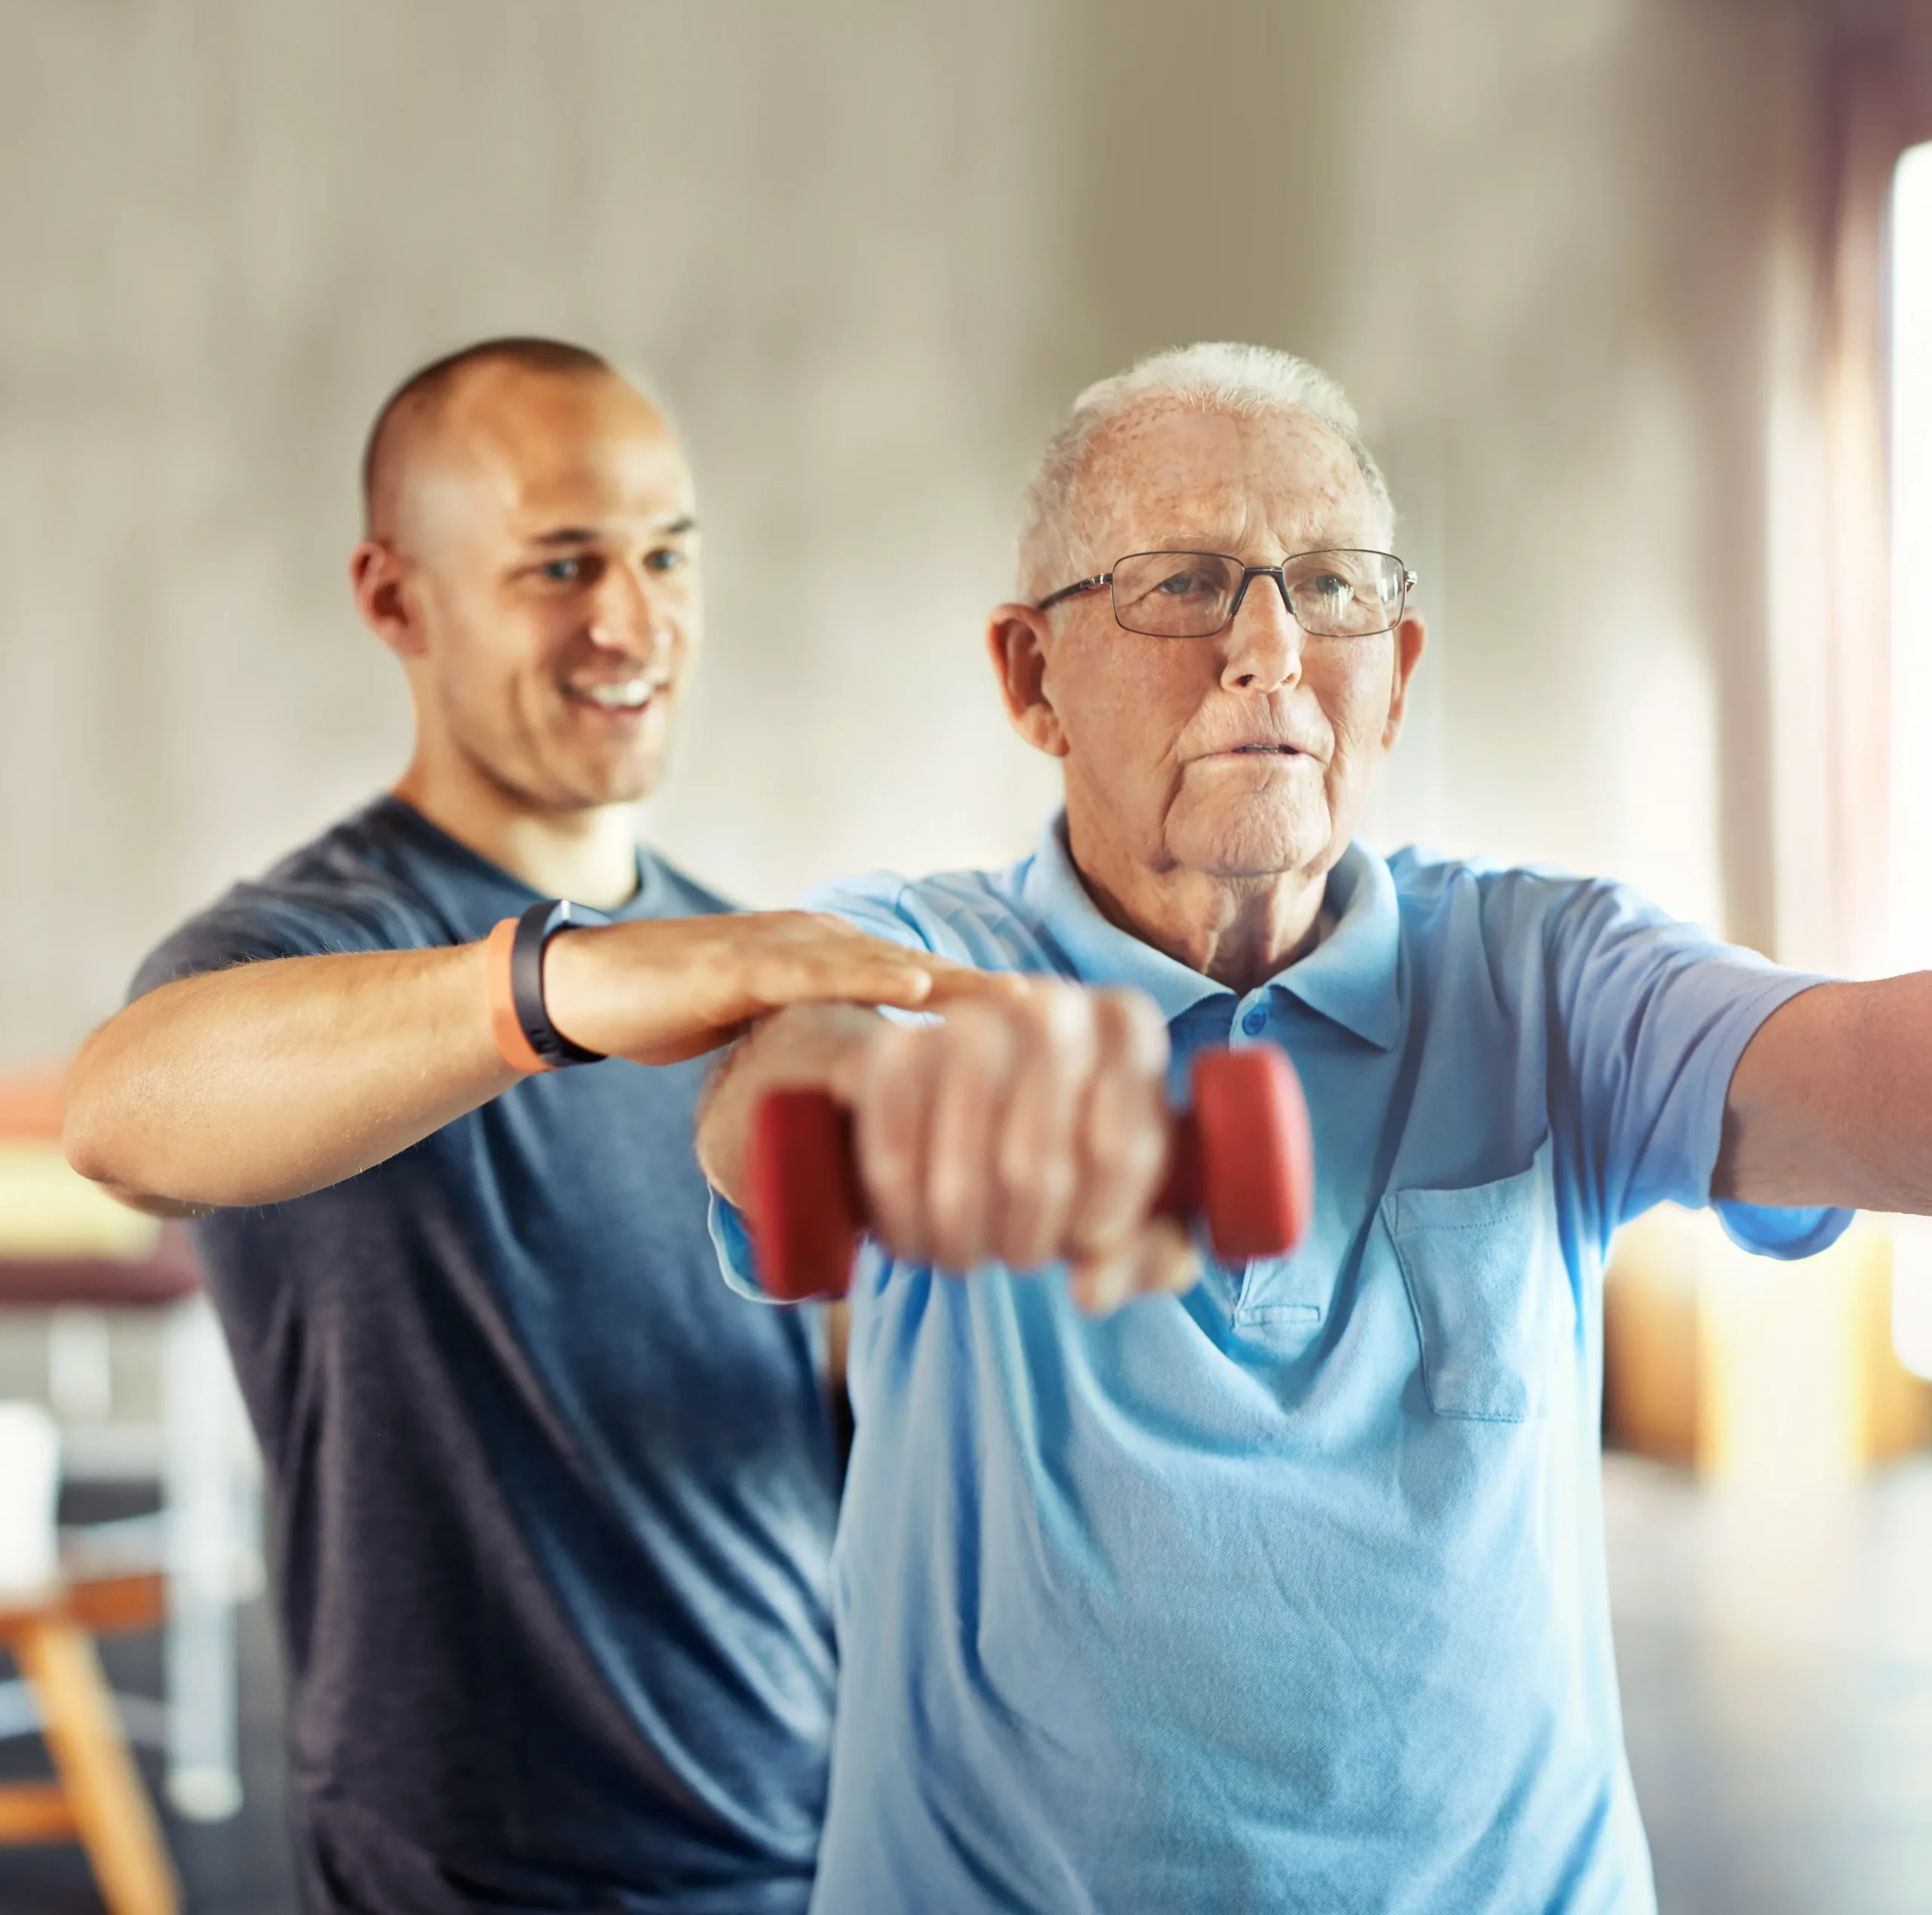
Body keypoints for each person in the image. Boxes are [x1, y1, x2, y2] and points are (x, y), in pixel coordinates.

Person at [694, 341, 1907, 1913]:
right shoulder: (926, 951)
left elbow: (1871, 1073)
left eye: (1326, 587)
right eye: (1184, 583)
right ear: (1027, 675)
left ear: (1393, 672)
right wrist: (883, 1093)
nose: (1266, 647)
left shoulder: (1550, 979)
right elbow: (782, 1068)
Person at [62, 337, 989, 1915]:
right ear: (395, 599)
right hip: (491, 1879)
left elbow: (793, 1424)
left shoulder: (743, 962)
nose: (628, 621)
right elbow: (121, 1113)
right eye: (560, 564)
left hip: (828, 1846)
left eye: (662, 553)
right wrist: (553, 989)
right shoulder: (308, 946)